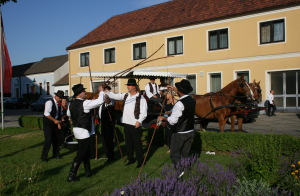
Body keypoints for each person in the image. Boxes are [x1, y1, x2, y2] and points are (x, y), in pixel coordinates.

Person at [66, 84, 105, 182]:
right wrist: (101, 91)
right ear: (79, 94)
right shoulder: (85, 103)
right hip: (83, 131)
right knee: (81, 153)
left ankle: (88, 172)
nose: (85, 92)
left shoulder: (71, 103)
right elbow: (100, 101)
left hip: (77, 130)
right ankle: (71, 175)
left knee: (86, 152)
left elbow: (68, 114)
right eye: (83, 91)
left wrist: (73, 118)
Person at [105, 78, 147, 168]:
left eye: (129, 85)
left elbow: (144, 112)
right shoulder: (126, 96)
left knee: (137, 143)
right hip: (126, 123)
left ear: (134, 86)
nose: (128, 87)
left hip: (135, 123)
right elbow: (115, 96)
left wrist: (139, 121)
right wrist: (106, 91)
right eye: (127, 85)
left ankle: (140, 161)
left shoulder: (141, 97)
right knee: (128, 143)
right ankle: (130, 159)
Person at [157, 79, 196, 177]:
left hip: (180, 133)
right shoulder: (192, 99)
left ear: (179, 91)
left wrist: (163, 118)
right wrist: (174, 89)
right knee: (185, 154)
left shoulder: (179, 104)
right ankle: (187, 171)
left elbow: (173, 121)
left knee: (174, 154)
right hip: (190, 131)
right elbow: (183, 95)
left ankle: (180, 172)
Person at [41, 90, 64, 163]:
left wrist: (58, 122)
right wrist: (54, 120)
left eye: (61, 98)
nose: (61, 99)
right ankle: (44, 157)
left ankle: (56, 154)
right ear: (56, 96)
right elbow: (46, 113)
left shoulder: (58, 104)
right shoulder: (49, 102)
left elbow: (57, 115)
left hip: (55, 123)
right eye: (60, 98)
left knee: (56, 139)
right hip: (48, 124)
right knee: (48, 139)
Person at [99, 86, 115, 162]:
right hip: (103, 121)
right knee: (103, 138)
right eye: (105, 90)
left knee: (109, 139)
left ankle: (111, 155)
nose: (105, 92)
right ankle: (107, 153)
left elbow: (109, 102)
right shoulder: (101, 99)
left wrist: (106, 96)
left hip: (109, 122)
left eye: (107, 91)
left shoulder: (111, 97)